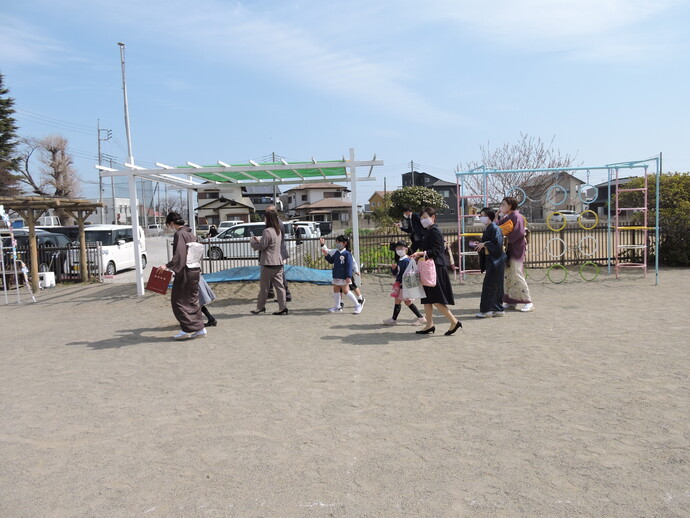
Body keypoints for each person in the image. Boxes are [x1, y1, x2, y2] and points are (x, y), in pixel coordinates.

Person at [410, 207, 461, 336]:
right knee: (427, 298)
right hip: (429, 268)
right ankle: (429, 324)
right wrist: (420, 255)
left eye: (425, 217)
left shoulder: (434, 231)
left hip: (436, 268)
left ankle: (454, 321)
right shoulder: (429, 231)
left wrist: (422, 253)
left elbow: (437, 251)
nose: (423, 220)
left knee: (436, 298)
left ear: (433, 217)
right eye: (421, 218)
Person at [159, 212, 206, 340]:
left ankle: (187, 329)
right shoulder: (190, 234)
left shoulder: (179, 234)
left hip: (185, 271)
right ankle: (200, 328)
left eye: (168, 225)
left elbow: (180, 255)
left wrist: (167, 266)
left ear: (171, 223)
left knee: (178, 301)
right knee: (192, 300)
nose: (169, 227)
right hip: (195, 270)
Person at [497, 196, 534, 312]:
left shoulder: (517, 216)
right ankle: (511, 301)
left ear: (510, 206)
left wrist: (504, 236)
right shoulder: (508, 216)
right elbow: (496, 225)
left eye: (503, 204)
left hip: (517, 249)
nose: (501, 206)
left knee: (517, 274)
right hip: (510, 249)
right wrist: (497, 213)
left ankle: (528, 301)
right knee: (508, 275)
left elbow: (518, 233)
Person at [249, 210, 288, 315]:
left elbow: (262, 247)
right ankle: (282, 307)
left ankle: (260, 307)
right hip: (278, 261)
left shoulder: (267, 231)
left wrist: (253, 242)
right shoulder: (278, 230)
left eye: (265, 217)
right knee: (280, 287)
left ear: (268, 219)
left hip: (268, 263)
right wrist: (261, 241)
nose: (264, 219)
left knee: (264, 287)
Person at [383, 241, 426, 326]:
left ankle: (420, 318)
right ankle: (394, 319)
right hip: (403, 284)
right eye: (397, 248)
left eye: (400, 248)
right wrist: (394, 269)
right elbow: (398, 273)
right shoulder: (402, 259)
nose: (399, 250)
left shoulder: (405, 260)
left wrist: (396, 272)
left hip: (403, 285)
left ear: (406, 249)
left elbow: (403, 274)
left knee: (403, 301)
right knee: (403, 301)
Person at [474, 208, 507, 318]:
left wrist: (485, 244)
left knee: (490, 286)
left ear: (489, 216)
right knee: (495, 285)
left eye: (483, 215)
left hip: (496, 261)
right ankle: (497, 309)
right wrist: (482, 245)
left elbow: (497, 245)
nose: (481, 217)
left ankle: (488, 310)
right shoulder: (489, 228)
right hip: (493, 260)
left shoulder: (494, 228)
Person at [319, 237, 366, 308]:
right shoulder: (336, 251)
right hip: (339, 274)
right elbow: (328, 252)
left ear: (344, 243)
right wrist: (322, 244)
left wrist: (356, 271)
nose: (337, 244)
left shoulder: (347, 253)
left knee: (351, 286)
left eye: (338, 242)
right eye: (336, 242)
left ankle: (360, 299)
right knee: (338, 288)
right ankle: (340, 303)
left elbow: (352, 263)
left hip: (346, 274)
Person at [265, 205, 292, 302]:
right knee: (273, 274)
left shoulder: (277, 223)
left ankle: (286, 295)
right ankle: (271, 292)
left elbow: (274, 240)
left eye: (267, 212)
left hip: (277, 253)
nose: (265, 215)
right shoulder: (275, 222)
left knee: (279, 275)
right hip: (276, 252)